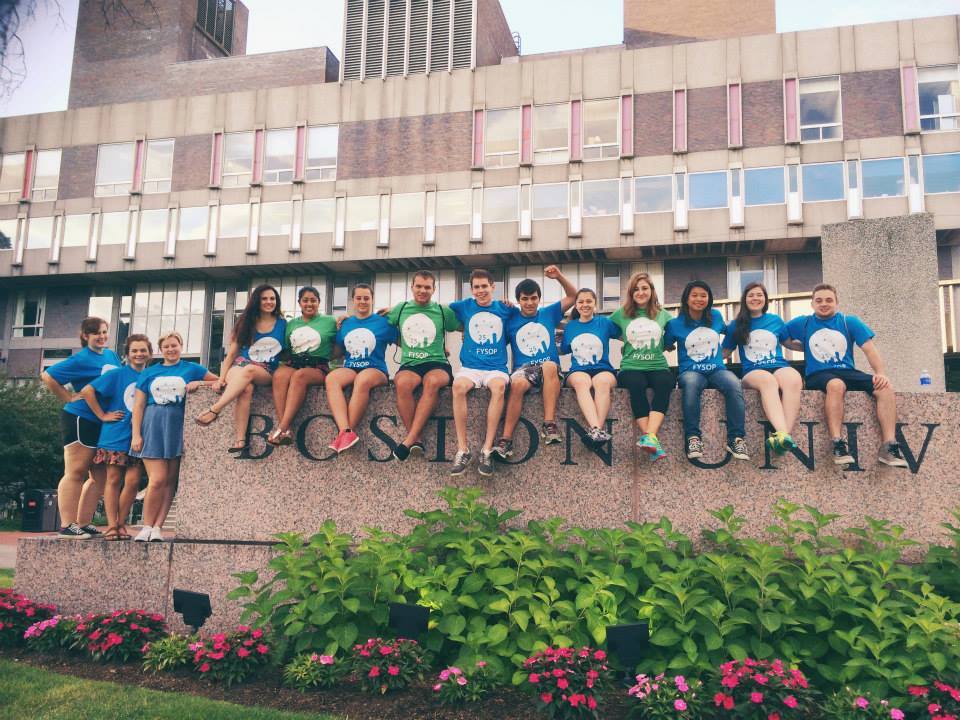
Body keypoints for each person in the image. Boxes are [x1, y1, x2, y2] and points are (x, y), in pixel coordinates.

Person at [783, 283, 908, 468]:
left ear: (836, 302)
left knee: (885, 388)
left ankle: (889, 446)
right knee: (836, 385)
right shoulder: (803, 323)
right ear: (812, 304)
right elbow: (783, 337)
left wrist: (881, 373)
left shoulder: (849, 322)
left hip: (847, 371)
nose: (823, 304)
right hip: (818, 374)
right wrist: (801, 348)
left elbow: (870, 350)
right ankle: (837, 443)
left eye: (828, 300)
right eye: (819, 300)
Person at [131, 331, 217, 542]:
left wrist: (201, 384)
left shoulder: (192, 368)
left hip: (177, 426)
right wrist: (136, 434)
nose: (171, 349)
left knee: (170, 481)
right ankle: (146, 526)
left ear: (181, 346)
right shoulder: (150, 372)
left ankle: (158, 527)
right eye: (166, 346)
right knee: (157, 479)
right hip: (153, 424)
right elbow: (139, 405)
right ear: (161, 350)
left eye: (174, 345)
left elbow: (220, 381)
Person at [41, 317, 122, 539]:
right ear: (86, 336)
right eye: (96, 333)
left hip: (103, 421)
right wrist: (68, 397)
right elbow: (47, 376)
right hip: (80, 418)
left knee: (99, 475)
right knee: (76, 471)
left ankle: (84, 523)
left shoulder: (111, 355)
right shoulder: (80, 359)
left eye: (105, 332)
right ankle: (67, 525)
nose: (102, 336)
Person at [493, 265, 577, 460]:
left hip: (549, 370)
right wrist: (501, 305)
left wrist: (559, 277)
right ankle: (506, 440)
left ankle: (549, 424)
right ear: (519, 300)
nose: (529, 303)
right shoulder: (511, 318)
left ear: (539, 299)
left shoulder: (548, 313)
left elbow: (573, 296)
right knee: (517, 384)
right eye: (525, 299)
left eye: (533, 298)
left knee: (548, 365)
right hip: (523, 370)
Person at [77, 334, 153, 541]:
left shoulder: (151, 376)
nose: (139, 354)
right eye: (134, 350)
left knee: (134, 481)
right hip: (115, 435)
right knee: (113, 479)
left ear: (150, 353)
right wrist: (102, 415)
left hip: (140, 437)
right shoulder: (117, 374)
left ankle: (122, 524)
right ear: (127, 354)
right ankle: (112, 525)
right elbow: (87, 390)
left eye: (143, 350)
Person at [664, 281, 749, 462]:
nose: (699, 299)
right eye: (694, 295)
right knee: (692, 386)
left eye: (703, 295)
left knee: (734, 384)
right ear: (686, 299)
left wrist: (726, 350)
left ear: (709, 299)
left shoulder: (716, 316)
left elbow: (733, 331)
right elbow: (666, 343)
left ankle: (736, 438)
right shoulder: (675, 324)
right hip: (690, 371)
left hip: (717, 369)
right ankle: (693, 438)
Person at [195, 284, 285, 453]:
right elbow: (231, 355)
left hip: (264, 370)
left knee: (249, 371)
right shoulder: (246, 322)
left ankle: (215, 409)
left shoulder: (283, 324)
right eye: (264, 298)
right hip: (239, 365)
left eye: (272, 298)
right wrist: (221, 379)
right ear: (256, 301)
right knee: (246, 389)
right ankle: (240, 440)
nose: (269, 302)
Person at [388, 271, 460, 462]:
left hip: (437, 363)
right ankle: (417, 439)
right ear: (412, 287)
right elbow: (382, 328)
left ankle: (408, 439)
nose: (422, 290)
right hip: (410, 364)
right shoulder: (400, 309)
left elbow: (463, 325)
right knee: (401, 383)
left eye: (427, 287)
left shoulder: (443, 310)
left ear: (433, 289)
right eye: (418, 286)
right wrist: (343, 320)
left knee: (433, 382)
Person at [723, 282, 801, 456]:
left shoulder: (776, 320)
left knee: (794, 378)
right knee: (768, 381)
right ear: (745, 299)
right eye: (751, 295)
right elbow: (725, 352)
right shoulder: (736, 325)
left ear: (765, 299)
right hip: (753, 372)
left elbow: (789, 343)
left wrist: (811, 346)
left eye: (759, 295)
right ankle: (783, 434)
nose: (755, 298)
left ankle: (783, 437)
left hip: (779, 365)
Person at [448, 269, 513, 476]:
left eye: (484, 286)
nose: (481, 290)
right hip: (471, 368)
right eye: (476, 287)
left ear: (493, 287)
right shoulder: (463, 306)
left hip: (496, 368)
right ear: (471, 289)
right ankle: (462, 449)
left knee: (499, 387)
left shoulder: (505, 308)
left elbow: (529, 316)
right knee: (458, 387)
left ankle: (486, 449)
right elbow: (434, 310)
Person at [610, 272, 675, 461]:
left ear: (652, 291)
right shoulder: (621, 314)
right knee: (636, 384)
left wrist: (669, 344)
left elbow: (675, 333)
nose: (640, 292)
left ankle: (649, 437)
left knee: (666, 381)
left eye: (644, 288)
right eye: (636, 289)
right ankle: (651, 438)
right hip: (631, 367)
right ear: (631, 293)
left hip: (658, 366)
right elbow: (600, 327)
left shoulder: (663, 315)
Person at [325, 283, 398, 453]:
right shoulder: (345, 323)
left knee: (363, 379)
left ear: (372, 300)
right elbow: (337, 351)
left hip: (376, 370)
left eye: (367, 298)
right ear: (353, 301)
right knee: (332, 379)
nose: (363, 301)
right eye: (359, 298)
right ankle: (346, 431)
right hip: (351, 367)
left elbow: (403, 342)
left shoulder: (384, 323)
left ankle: (346, 432)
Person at [266, 286, 337, 446]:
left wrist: (344, 319)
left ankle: (281, 428)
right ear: (299, 303)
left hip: (317, 366)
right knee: (279, 375)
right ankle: (287, 429)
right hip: (294, 362)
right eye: (305, 300)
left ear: (319, 302)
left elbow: (341, 342)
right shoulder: (291, 324)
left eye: (313, 300)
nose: (309, 304)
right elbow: (285, 350)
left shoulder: (330, 321)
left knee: (300, 376)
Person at [559, 288, 621, 446]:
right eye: (580, 301)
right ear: (576, 305)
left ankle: (595, 430)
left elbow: (624, 333)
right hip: (578, 370)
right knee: (582, 382)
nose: (584, 305)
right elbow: (564, 349)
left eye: (589, 301)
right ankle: (597, 429)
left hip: (604, 369)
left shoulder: (605, 322)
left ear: (595, 304)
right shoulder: (570, 327)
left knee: (602, 382)